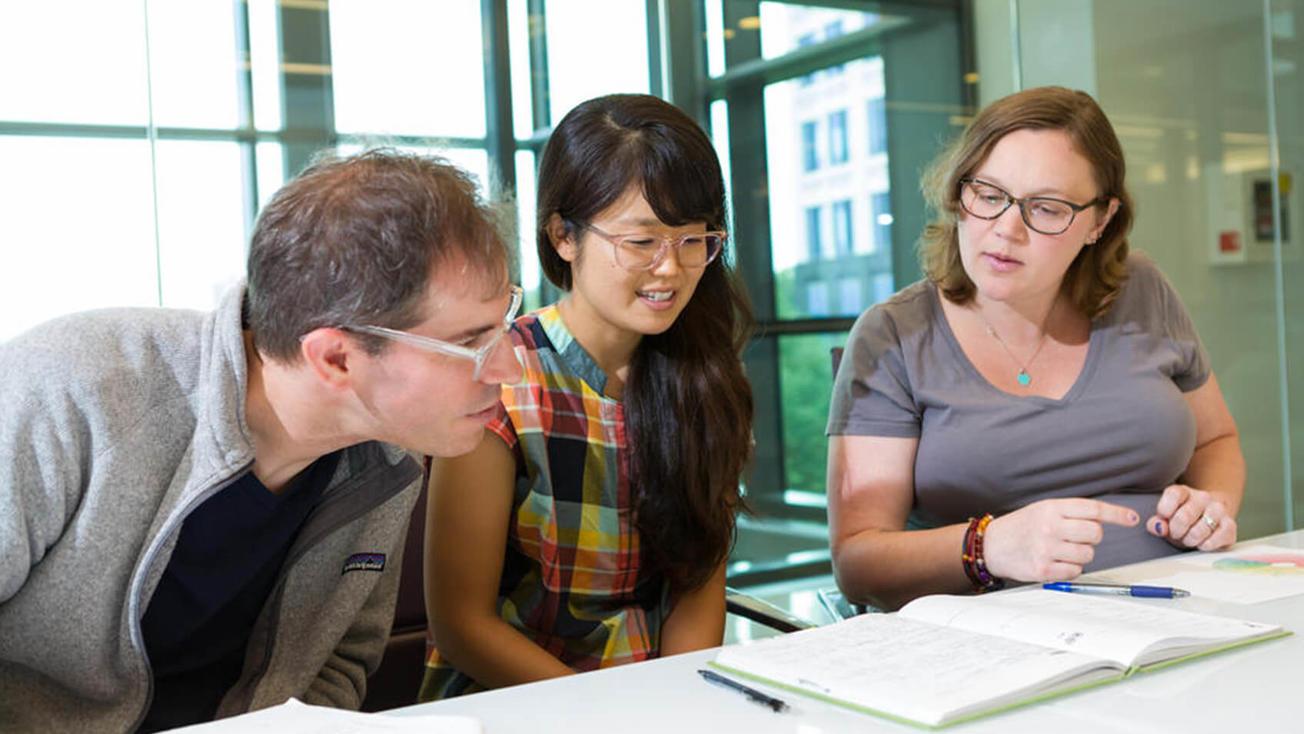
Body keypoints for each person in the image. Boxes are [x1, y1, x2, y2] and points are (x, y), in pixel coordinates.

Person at [0, 149, 524, 731]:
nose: (508, 367)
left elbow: (339, 663)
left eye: (506, 323)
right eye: (473, 342)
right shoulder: (67, 395)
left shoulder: (384, 462)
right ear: (335, 358)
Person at [826, 86, 1245, 611]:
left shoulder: (1141, 289)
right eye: (988, 195)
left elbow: (1217, 440)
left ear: (1100, 221)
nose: (1005, 229)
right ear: (959, 194)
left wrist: (1211, 505)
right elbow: (858, 564)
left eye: (1045, 208)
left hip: (1181, 599)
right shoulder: (895, 335)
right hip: (998, 632)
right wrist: (988, 546)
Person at [417, 94, 755, 700]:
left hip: (657, 703)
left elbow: (699, 583)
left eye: (692, 240)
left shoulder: (702, 375)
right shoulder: (502, 380)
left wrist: (675, 704)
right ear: (563, 237)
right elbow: (462, 625)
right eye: (641, 242)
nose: (671, 270)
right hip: (516, 704)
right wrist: (608, 713)